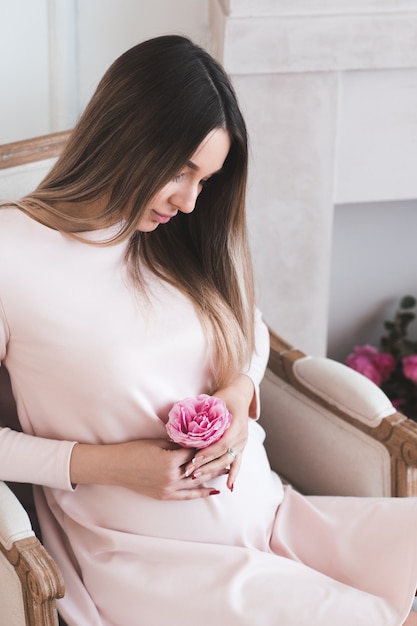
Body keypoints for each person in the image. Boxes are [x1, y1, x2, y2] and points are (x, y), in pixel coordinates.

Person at [1, 34, 417, 626]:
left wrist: (240, 392)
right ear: (128, 134)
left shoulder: (171, 237)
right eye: (183, 171)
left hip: (270, 515)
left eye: (206, 181)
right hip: (153, 561)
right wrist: (108, 465)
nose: (191, 201)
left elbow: (252, 328)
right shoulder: (10, 253)